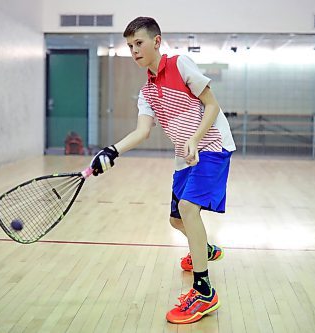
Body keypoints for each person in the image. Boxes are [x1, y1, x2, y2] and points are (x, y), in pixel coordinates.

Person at [90, 16, 236, 324]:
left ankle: (204, 291)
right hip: (184, 154)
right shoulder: (147, 92)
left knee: (188, 207)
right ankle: (204, 248)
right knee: (175, 219)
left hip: (212, 146)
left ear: (157, 41)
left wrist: (196, 139)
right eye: (130, 46)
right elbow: (141, 132)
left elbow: (212, 105)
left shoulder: (180, 64)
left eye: (139, 43)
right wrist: (112, 151)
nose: (134, 51)